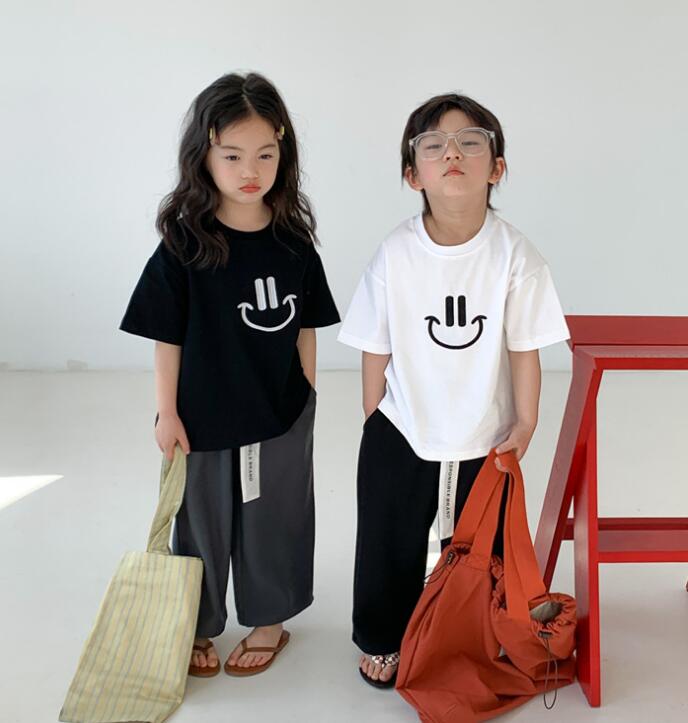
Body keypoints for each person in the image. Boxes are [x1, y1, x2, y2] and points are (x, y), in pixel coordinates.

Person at [337, 93, 570, 688]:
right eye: (434, 145)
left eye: (470, 142)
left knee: (484, 541)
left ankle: (477, 631)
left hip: (485, 426)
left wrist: (525, 422)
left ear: (496, 167)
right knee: (388, 534)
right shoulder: (395, 253)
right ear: (413, 174)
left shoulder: (516, 257)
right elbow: (375, 345)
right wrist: (375, 417)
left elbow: (525, 347)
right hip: (403, 422)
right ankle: (383, 636)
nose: (453, 153)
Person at [120, 72, 340, 678]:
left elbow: (306, 326)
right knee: (200, 522)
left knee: (277, 518)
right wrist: (167, 411)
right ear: (204, 155)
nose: (251, 170)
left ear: (283, 154)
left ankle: (270, 620)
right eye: (233, 155)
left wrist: (307, 395)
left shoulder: (294, 241)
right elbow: (166, 335)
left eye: (265, 155)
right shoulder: (184, 242)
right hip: (202, 415)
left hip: (280, 410)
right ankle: (197, 621)